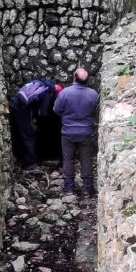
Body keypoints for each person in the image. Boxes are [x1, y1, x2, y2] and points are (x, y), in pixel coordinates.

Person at [53, 67, 99, 196]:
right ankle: (87, 188)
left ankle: (69, 188)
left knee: (68, 159)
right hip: (86, 132)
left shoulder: (65, 93)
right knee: (86, 159)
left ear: (74, 77)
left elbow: (56, 110)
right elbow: (96, 112)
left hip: (68, 132)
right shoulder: (93, 94)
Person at [9, 78, 62, 169]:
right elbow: (42, 113)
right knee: (28, 135)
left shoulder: (41, 83)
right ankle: (31, 164)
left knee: (27, 134)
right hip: (21, 109)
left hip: (16, 102)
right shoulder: (48, 94)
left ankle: (29, 161)